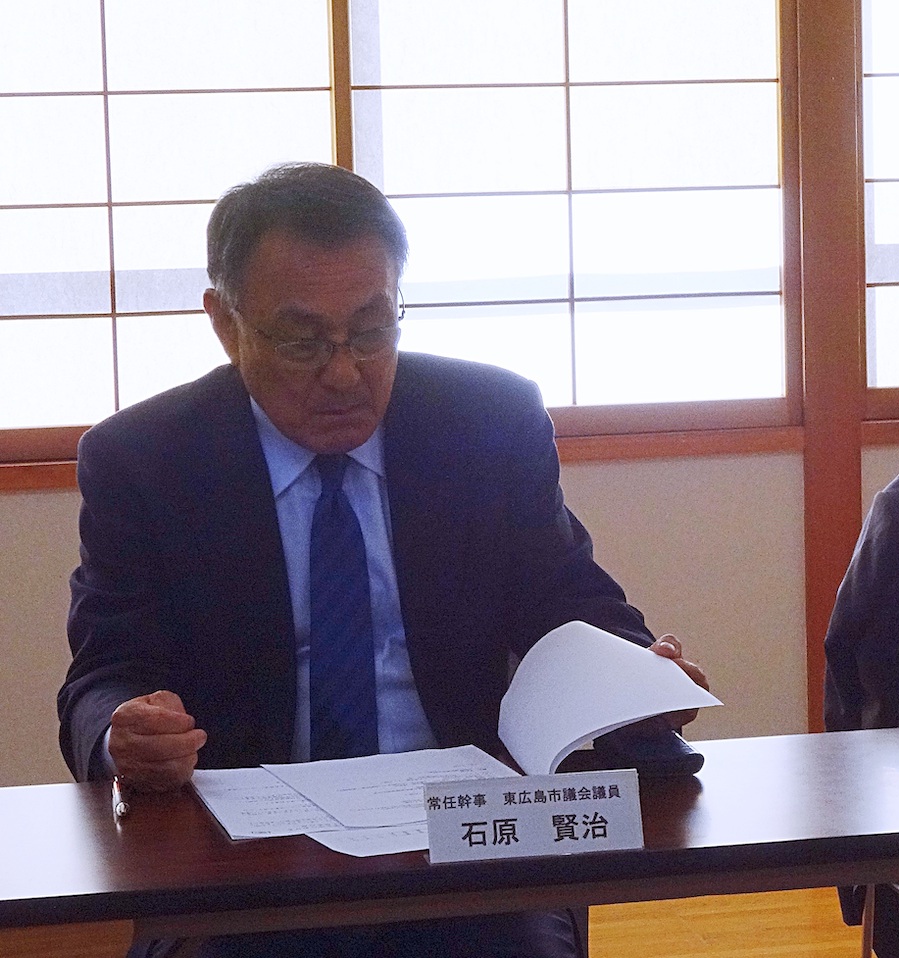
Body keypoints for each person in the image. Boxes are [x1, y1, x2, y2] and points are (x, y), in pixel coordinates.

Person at [58, 161, 708, 958]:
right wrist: (124, 737)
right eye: (303, 341)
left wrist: (640, 678)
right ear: (225, 323)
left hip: (464, 841)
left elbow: (568, 602)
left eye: (371, 331)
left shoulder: (486, 422)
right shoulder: (145, 459)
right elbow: (103, 674)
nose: (344, 373)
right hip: (242, 855)